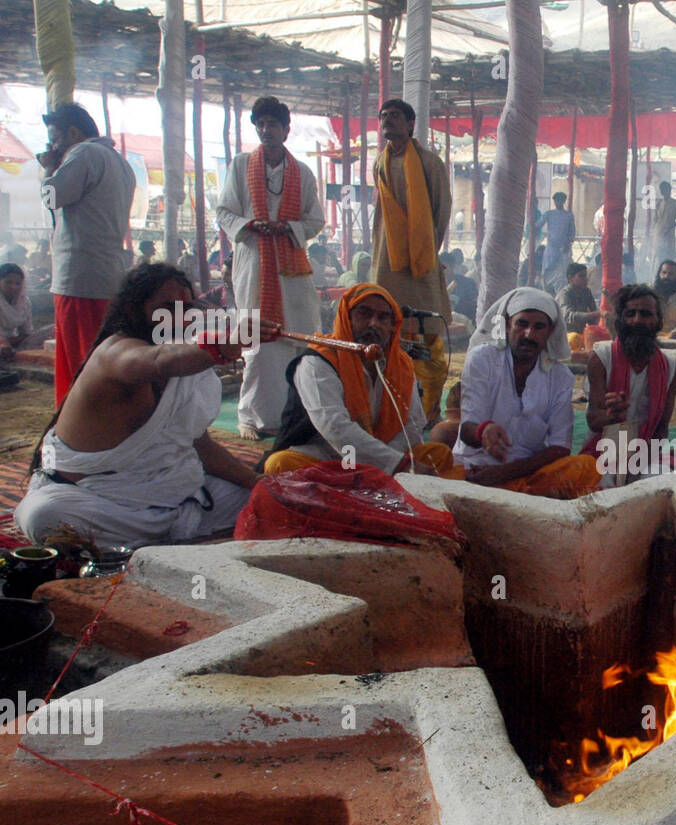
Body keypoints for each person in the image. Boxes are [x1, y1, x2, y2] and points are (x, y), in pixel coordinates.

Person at [15, 264, 257, 548]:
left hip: (170, 495)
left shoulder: (186, 359)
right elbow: (156, 361)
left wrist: (258, 484)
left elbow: (199, 446)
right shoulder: (115, 353)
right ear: (132, 311)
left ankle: (158, 539)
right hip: (97, 501)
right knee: (45, 515)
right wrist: (222, 345)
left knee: (255, 499)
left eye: (188, 307)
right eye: (168, 307)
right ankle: (173, 539)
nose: (182, 317)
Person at [260, 283, 457, 478]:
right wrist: (395, 464)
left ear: (392, 326)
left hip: (388, 454)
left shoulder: (401, 364)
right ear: (347, 318)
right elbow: (333, 426)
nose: (374, 323)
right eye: (364, 313)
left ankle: (371, 485)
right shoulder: (317, 361)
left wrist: (386, 460)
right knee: (279, 465)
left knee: (439, 455)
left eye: (383, 318)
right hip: (329, 458)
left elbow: (413, 422)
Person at [217, 96, 325, 441]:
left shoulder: (303, 173)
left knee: (296, 338)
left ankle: (297, 414)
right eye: (260, 124)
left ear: (285, 130)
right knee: (258, 341)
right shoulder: (239, 166)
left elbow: (315, 219)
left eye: (272, 124)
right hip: (254, 262)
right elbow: (223, 212)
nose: (266, 130)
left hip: (292, 272)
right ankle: (254, 416)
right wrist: (252, 225)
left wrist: (288, 228)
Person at [455, 288, 601, 497]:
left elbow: (561, 447)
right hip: (475, 468)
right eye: (522, 324)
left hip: (527, 474)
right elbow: (467, 429)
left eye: (538, 327)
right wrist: (484, 431)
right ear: (507, 325)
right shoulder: (483, 359)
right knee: (443, 472)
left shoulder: (560, 377)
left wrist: (504, 473)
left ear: (550, 331)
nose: (529, 334)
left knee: (586, 466)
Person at [37, 102, 136, 404]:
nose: (53, 146)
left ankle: (82, 425)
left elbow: (52, 196)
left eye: (55, 138)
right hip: (104, 274)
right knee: (97, 354)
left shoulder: (83, 154)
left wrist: (47, 168)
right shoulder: (120, 163)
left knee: (81, 362)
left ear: (73, 132)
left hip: (79, 276)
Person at [372, 98, 453, 421]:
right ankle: (394, 402)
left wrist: (426, 249)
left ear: (410, 124)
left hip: (421, 264)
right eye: (383, 116)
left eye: (394, 116)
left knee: (427, 330)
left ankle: (430, 408)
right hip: (386, 261)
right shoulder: (380, 162)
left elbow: (441, 210)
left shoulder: (430, 163)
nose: (387, 121)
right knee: (390, 327)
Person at [582, 284, 676, 482]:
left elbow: (661, 428)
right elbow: (593, 420)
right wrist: (612, 417)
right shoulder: (601, 359)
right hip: (603, 451)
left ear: (658, 322)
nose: (637, 321)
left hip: (645, 455)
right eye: (630, 314)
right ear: (620, 320)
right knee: (605, 485)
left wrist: (639, 464)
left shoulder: (671, 367)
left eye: (645, 314)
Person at [540, 193, 576, 292]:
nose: (558, 203)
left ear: (563, 201)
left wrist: (568, 244)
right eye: (556, 200)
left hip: (563, 249)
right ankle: (547, 290)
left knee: (562, 273)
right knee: (548, 269)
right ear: (554, 201)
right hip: (551, 248)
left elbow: (572, 233)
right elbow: (537, 225)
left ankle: (561, 294)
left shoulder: (568, 215)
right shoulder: (549, 214)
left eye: (560, 200)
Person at [0, 263, 34, 359]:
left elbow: (27, 331)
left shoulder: (24, 301)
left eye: (17, 283)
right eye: (8, 282)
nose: (13, 287)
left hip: (13, 341)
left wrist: (11, 341)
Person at [557, 262, 601, 335]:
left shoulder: (586, 291)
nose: (585, 279)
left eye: (585, 276)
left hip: (581, 334)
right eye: (581, 276)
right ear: (570, 278)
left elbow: (593, 313)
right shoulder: (564, 294)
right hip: (565, 335)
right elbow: (569, 316)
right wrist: (592, 315)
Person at [652, 260, 676, 337]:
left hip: (674, 336)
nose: (666, 276)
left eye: (671, 274)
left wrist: (675, 332)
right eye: (664, 273)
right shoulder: (650, 294)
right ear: (659, 274)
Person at [649, 181, 676, 266]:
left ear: (669, 190)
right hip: (658, 234)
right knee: (657, 256)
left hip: (669, 235)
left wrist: (671, 228)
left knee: (669, 257)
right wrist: (653, 232)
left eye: (664, 189)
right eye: (661, 190)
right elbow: (655, 220)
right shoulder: (658, 203)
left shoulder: (675, 203)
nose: (662, 192)